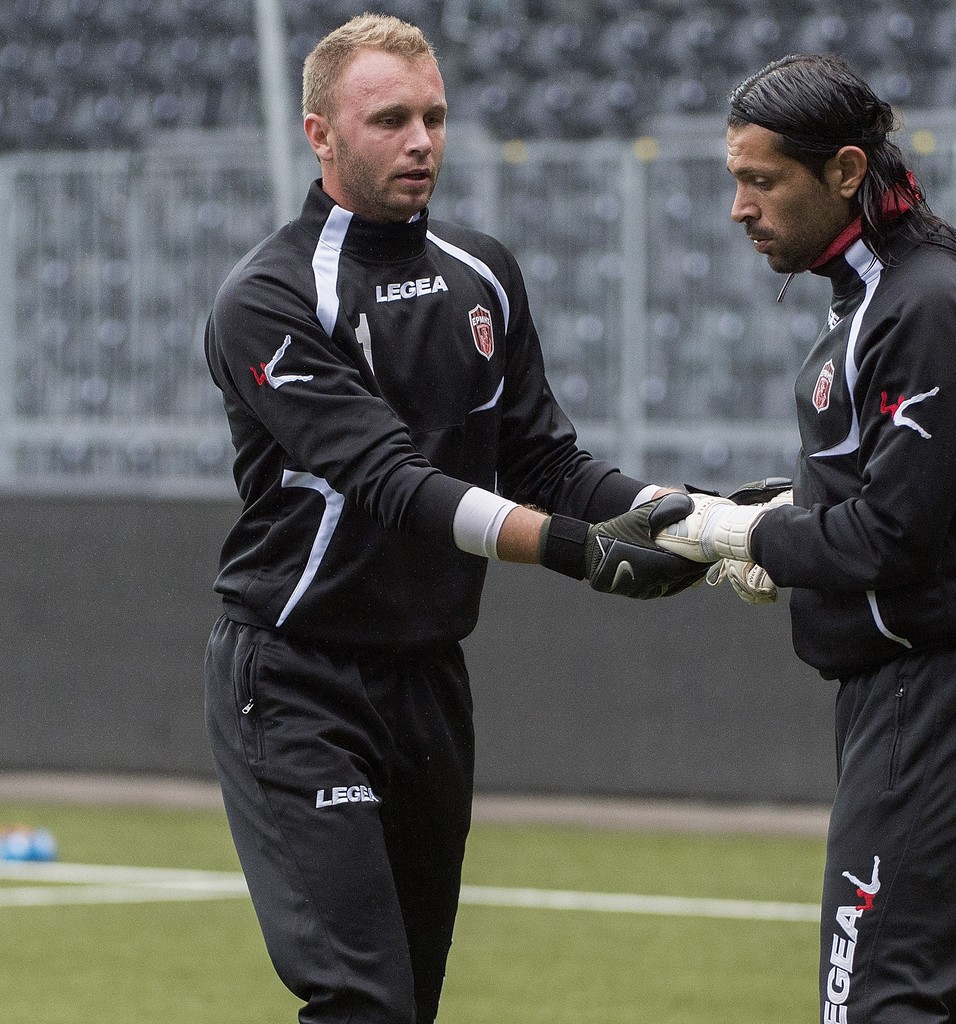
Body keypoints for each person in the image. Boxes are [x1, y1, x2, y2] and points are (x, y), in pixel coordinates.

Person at [201, 14, 704, 1023]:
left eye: (434, 115)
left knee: (410, 1002)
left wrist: (700, 522)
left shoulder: (483, 272)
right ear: (321, 135)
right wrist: (575, 553)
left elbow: (547, 458)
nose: (422, 139)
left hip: (429, 682)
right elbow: (391, 481)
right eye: (390, 119)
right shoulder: (268, 298)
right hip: (299, 680)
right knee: (363, 997)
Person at [656, 53, 956, 1024]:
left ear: (843, 170)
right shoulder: (886, 296)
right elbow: (897, 492)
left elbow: (892, 536)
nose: (741, 208)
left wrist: (744, 532)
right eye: (735, 181)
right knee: (939, 1000)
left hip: (939, 692)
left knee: (876, 999)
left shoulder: (922, 305)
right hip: (918, 692)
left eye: (762, 181)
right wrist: (777, 525)